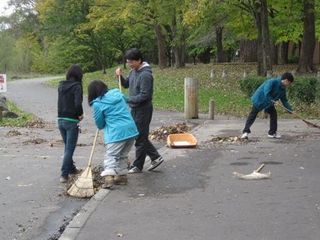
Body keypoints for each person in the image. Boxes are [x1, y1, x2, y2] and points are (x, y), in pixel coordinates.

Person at [115, 48, 164, 173]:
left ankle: (138, 165)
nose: (129, 65)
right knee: (138, 136)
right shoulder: (133, 71)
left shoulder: (146, 75)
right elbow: (126, 84)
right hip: (135, 109)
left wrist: (127, 99)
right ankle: (155, 157)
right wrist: (120, 77)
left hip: (143, 109)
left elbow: (145, 95)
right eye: (128, 62)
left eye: (131, 62)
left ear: (139, 60)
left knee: (140, 138)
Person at [88, 80, 138, 188]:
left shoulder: (98, 104)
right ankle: (121, 177)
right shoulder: (117, 93)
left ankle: (109, 179)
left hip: (116, 133)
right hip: (131, 130)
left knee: (112, 155)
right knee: (123, 155)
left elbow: (100, 124)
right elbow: (126, 100)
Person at [241, 72, 294, 140]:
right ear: (286, 80)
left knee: (273, 114)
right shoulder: (272, 82)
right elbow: (266, 92)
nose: (289, 85)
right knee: (252, 115)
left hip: (269, 103)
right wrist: (272, 100)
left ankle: (272, 133)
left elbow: (284, 101)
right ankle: (245, 132)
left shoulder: (283, 89)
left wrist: (290, 110)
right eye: (289, 83)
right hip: (259, 100)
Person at [57, 64, 84, 183]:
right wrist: (80, 114)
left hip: (60, 119)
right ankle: (64, 174)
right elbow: (78, 103)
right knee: (69, 149)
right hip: (72, 121)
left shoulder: (61, 85)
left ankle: (72, 168)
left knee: (67, 147)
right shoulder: (77, 86)